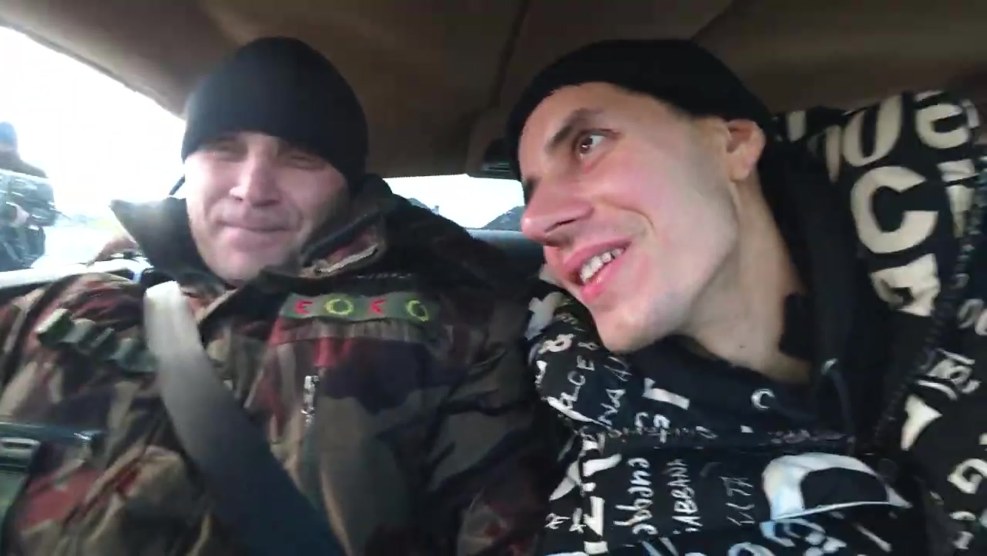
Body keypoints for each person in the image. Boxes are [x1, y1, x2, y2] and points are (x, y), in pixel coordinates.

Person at [0, 37, 548, 555]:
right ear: (188, 166)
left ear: (346, 187)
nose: (252, 189)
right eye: (224, 149)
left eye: (299, 157)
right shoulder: (51, 309)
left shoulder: (455, 333)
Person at [509, 39, 987, 555]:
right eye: (531, 194)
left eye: (587, 143)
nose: (535, 222)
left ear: (734, 143)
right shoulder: (612, 511)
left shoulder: (970, 265)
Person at [0, 122, 54, 270]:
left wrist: (25, 216)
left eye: (5, 143)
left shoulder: (34, 175)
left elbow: (50, 215)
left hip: (23, 252)